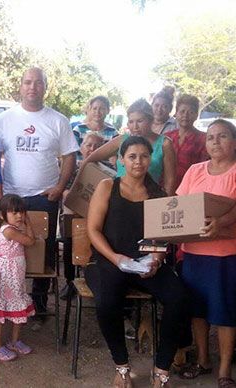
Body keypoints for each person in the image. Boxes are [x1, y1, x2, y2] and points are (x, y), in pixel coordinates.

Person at [85, 135, 188, 388]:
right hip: (108, 260)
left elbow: (163, 236)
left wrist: (156, 258)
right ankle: (122, 367)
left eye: (144, 156)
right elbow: (93, 230)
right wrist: (115, 258)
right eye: (132, 156)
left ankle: (161, 369)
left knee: (179, 298)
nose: (138, 162)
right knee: (107, 301)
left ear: (150, 159)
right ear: (121, 160)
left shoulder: (157, 194)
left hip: (146, 263)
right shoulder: (108, 186)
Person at [0, 66, 79, 317]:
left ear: (45, 87)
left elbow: (69, 157)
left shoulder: (58, 120)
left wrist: (60, 188)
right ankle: (7, 298)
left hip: (45, 197)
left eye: (38, 82)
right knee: (9, 250)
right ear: (20, 86)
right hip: (11, 199)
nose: (32, 87)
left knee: (43, 250)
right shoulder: (5, 119)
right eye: (28, 82)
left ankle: (39, 302)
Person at [176, 119, 236, 388]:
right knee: (197, 310)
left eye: (222, 136)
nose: (215, 142)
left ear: (233, 142)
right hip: (194, 252)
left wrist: (222, 222)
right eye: (211, 137)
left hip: (226, 254)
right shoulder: (195, 170)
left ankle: (225, 369)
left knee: (225, 311)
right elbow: (180, 206)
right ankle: (203, 360)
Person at [0, 194, 36, 361]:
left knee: (16, 306)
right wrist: (29, 222)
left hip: (16, 275)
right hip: (6, 277)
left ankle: (14, 341)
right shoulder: (9, 230)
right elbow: (31, 241)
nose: (19, 216)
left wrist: (25, 222)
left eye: (21, 212)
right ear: (3, 215)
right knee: (1, 310)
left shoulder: (14, 229)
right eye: (14, 213)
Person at [83, 98, 177, 196]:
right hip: (118, 197)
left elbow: (169, 182)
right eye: (131, 122)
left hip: (148, 198)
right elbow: (90, 159)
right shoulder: (122, 140)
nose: (135, 126)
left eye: (140, 121)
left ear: (150, 120)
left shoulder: (165, 144)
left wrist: (164, 206)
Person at [60, 132, 105, 300]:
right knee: (69, 241)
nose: (92, 149)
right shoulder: (74, 168)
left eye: (97, 146)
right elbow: (64, 190)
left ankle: (94, 277)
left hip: (98, 215)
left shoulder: (109, 171)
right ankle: (70, 281)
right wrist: (74, 198)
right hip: (75, 212)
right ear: (81, 147)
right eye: (88, 145)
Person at [164, 94, 208, 187]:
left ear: (196, 115)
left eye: (190, 112)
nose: (185, 115)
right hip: (164, 187)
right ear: (176, 113)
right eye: (182, 111)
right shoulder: (166, 137)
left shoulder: (204, 139)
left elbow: (203, 168)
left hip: (190, 188)